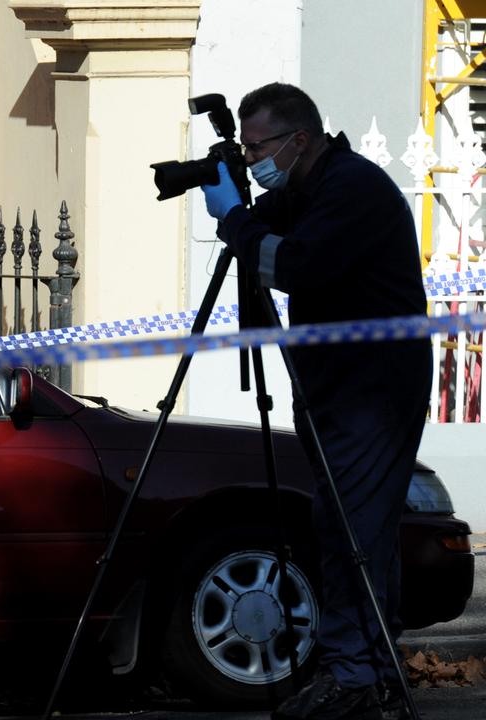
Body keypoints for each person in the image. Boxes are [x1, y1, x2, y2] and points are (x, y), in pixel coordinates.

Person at [200, 83, 431, 720]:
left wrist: (234, 218)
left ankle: (353, 676)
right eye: (245, 153)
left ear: (300, 139)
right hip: (341, 385)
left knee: (349, 529)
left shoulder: (351, 189)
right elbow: (276, 233)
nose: (252, 164)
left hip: (370, 393)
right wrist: (229, 195)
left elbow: (292, 266)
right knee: (356, 529)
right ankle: (373, 671)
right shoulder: (313, 187)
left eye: (258, 149)